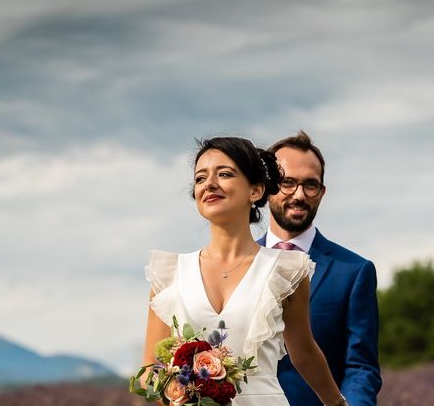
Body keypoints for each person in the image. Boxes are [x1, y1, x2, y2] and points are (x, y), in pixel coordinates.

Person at [142, 137, 348, 406]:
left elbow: (305, 353)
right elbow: (149, 370)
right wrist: (180, 396)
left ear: (256, 191)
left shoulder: (286, 271)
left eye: (225, 174)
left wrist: (337, 403)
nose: (210, 184)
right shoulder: (169, 275)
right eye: (200, 178)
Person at [258, 131, 382, 406]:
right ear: (266, 187)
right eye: (287, 183)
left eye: (310, 185)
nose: (299, 195)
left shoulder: (354, 272)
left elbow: (360, 367)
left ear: (322, 193)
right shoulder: (238, 264)